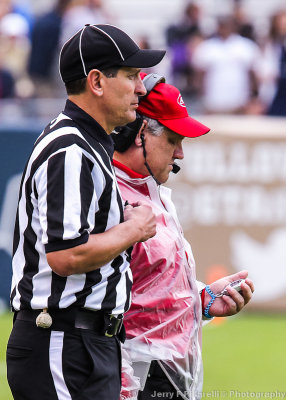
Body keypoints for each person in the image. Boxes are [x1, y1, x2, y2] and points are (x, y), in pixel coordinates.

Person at [6, 25, 165, 400]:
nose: (140, 88)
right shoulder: (71, 149)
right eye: (130, 76)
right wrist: (135, 229)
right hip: (63, 341)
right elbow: (66, 255)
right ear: (96, 81)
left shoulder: (88, 143)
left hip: (83, 342)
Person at [111, 73, 255, 400]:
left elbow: (150, 286)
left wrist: (202, 299)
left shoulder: (154, 194)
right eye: (173, 140)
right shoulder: (110, 197)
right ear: (142, 133)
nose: (180, 154)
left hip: (166, 376)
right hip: (134, 379)